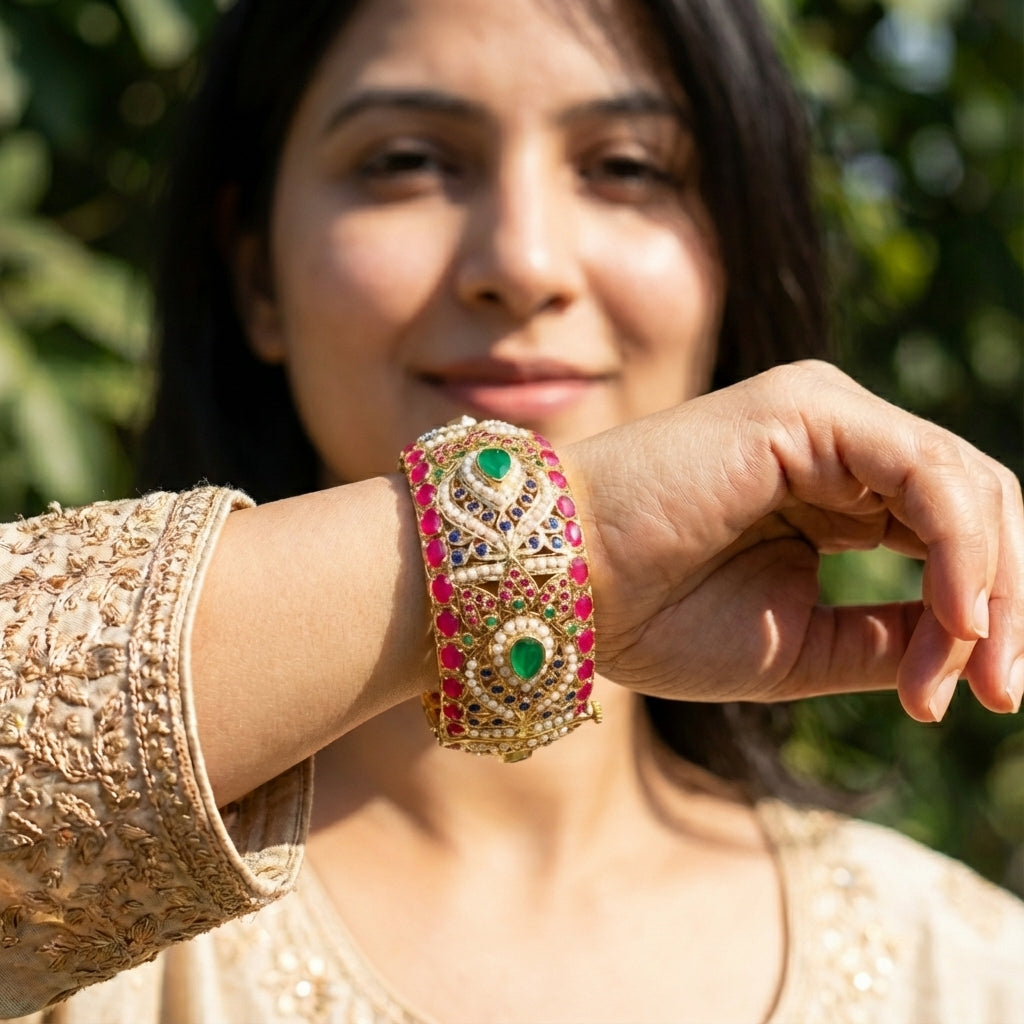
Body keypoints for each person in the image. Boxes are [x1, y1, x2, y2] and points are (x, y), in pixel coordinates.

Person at [1, 0, 1022, 1021]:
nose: (523, 263)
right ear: (256, 272)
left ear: (733, 261)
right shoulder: (73, 941)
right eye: (406, 160)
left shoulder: (970, 971)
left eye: (626, 167)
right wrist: (567, 537)